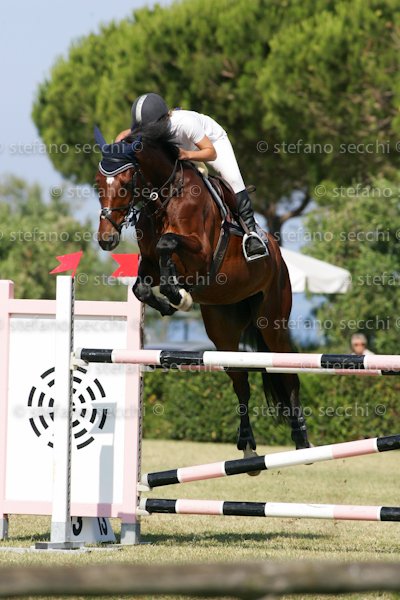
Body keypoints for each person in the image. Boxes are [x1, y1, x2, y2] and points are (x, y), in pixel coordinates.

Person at [116, 93, 267, 261]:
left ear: (161, 121)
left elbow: (210, 153)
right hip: (181, 148)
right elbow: (123, 136)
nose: (146, 134)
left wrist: (187, 154)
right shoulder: (150, 126)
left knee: (233, 181)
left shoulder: (185, 123)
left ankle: (252, 234)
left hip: (211, 144)